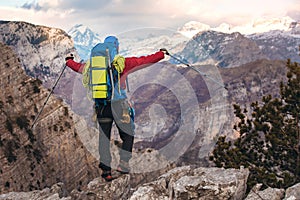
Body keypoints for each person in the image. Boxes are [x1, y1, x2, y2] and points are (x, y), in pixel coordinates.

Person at [65, 35, 168, 181]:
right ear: (116, 48)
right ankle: (123, 164)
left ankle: (106, 171)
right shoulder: (123, 63)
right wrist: (161, 54)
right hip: (119, 106)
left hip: (101, 106)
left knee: (104, 138)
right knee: (127, 134)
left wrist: (69, 61)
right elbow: (145, 60)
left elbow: (77, 67)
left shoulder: (92, 65)